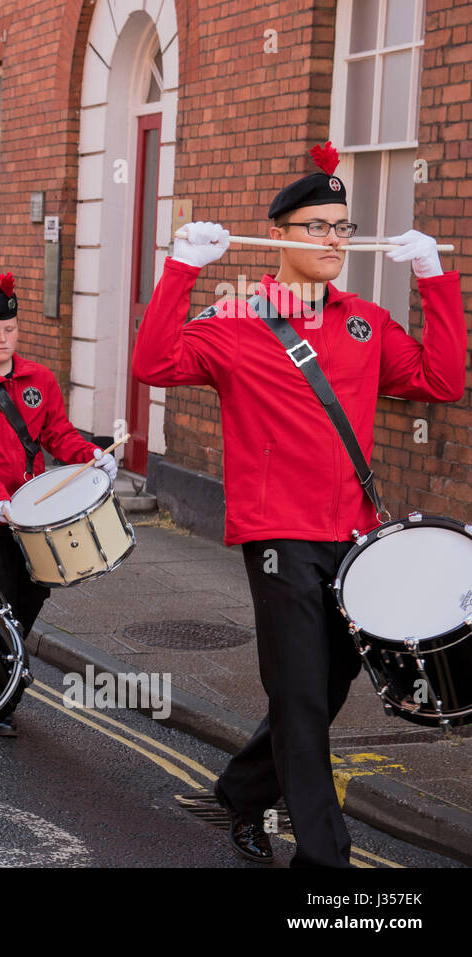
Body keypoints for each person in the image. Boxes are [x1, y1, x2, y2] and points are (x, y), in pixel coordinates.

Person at [131, 141, 465, 868]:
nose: (334, 240)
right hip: (279, 534)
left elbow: (441, 380)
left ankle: (242, 793)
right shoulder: (235, 323)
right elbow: (152, 362)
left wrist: (436, 280)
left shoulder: (365, 322)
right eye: (317, 226)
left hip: (355, 536)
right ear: (277, 234)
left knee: (331, 681)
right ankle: (324, 861)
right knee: (303, 697)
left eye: (342, 227)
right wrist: (183, 266)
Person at [0, 271, 117, 731]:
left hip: (35, 516)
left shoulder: (39, 378)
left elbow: (57, 433)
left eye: (10, 331)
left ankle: (3, 671)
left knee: (33, 593)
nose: (3, 340)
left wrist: (90, 455)